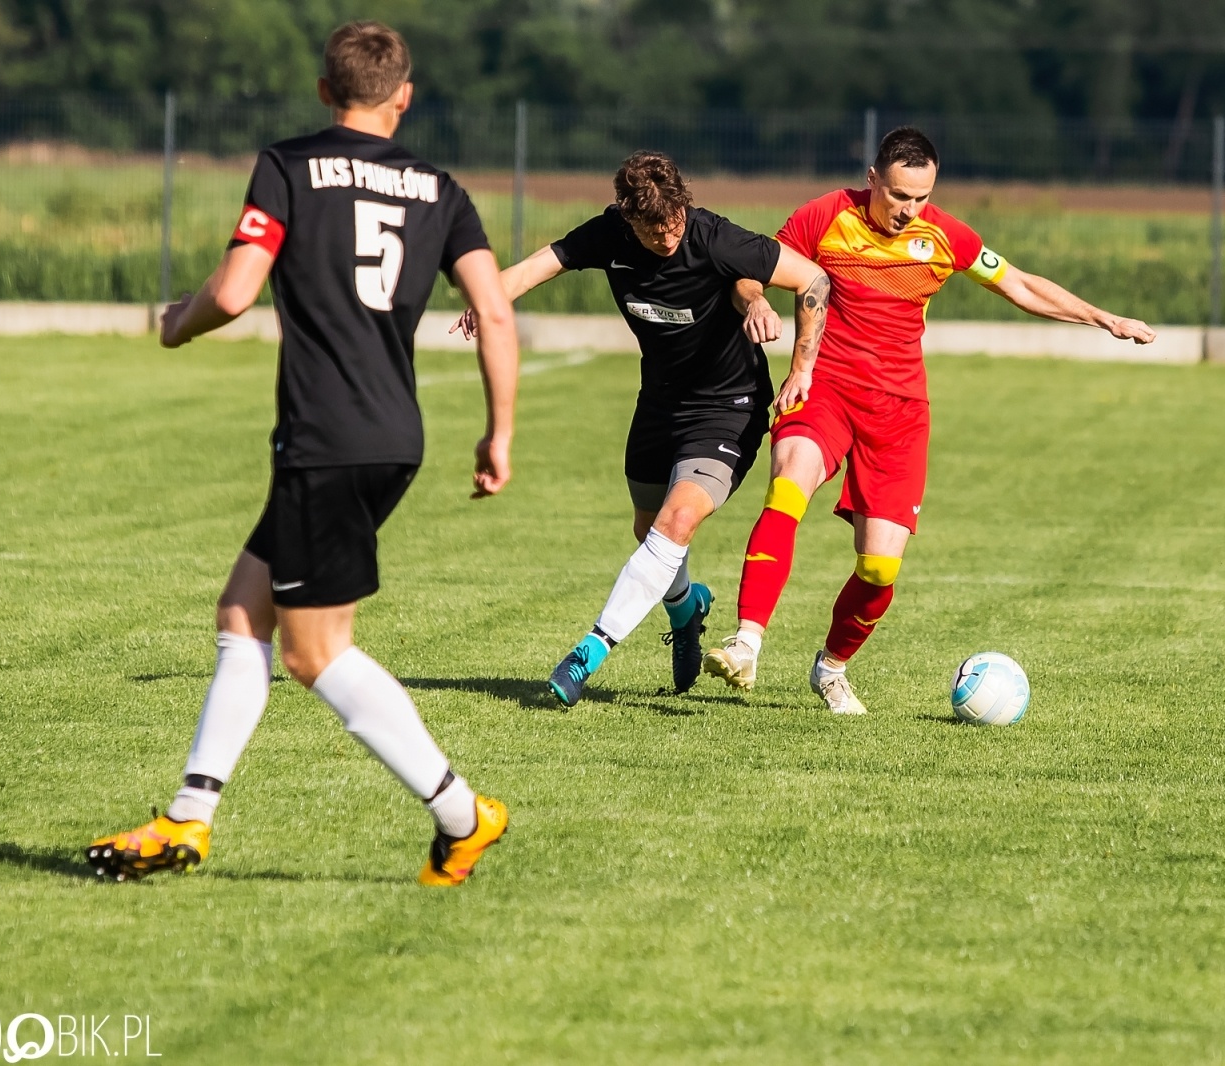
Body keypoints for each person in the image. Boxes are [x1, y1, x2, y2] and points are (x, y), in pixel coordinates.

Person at [85, 21, 519, 885]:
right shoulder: (442, 190)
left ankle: (463, 816)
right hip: (394, 435)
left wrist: (178, 321)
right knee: (243, 614)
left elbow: (239, 290)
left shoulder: (287, 165)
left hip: (326, 438)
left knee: (314, 654)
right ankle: (187, 821)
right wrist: (499, 430)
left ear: (325, 91)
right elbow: (495, 311)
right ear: (403, 96)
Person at [704, 127, 1156, 714]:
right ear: (873, 179)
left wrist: (1104, 318)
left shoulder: (945, 235)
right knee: (788, 484)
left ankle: (832, 667)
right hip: (825, 389)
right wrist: (756, 299)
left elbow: (1018, 284)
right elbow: (750, 265)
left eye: (920, 198)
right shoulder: (824, 216)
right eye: (897, 196)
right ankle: (747, 641)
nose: (907, 210)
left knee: (879, 566)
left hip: (898, 414)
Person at [454, 151, 828, 707]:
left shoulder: (713, 237)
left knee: (677, 521)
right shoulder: (609, 236)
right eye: (655, 230)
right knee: (648, 528)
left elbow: (811, 277)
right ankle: (686, 609)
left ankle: (589, 653)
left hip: (729, 407)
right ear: (627, 218)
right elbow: (538, 266)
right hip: (659, 406)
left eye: (675, 222)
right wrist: (486, 301)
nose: (669, 237)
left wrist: (800, 368)